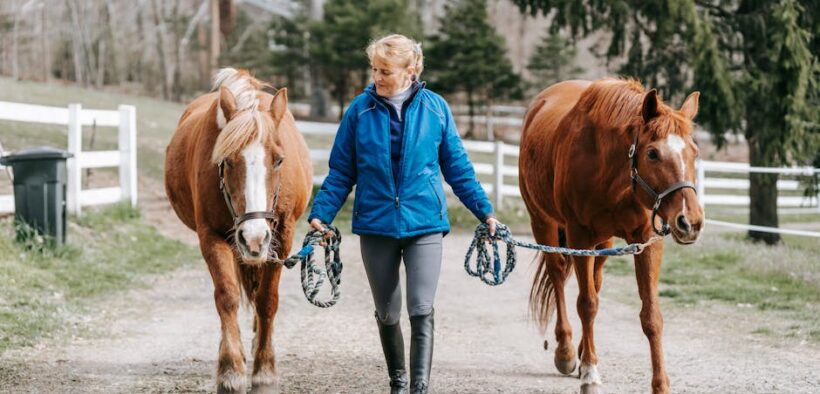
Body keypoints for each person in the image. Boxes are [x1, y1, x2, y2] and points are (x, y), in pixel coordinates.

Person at [308, 34, 499, 394]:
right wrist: (322, 214)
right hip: (376, 224)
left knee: (420, 306)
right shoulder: (359, 111)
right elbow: (341, 171)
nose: (377, 77)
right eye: (374, 69)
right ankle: (397, 382)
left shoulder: (436, 108)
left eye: (385, 71)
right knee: (388, 311)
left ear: (411, 71)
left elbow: (457, 168)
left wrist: (484, 211)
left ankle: (418, 387)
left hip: (424, 223)